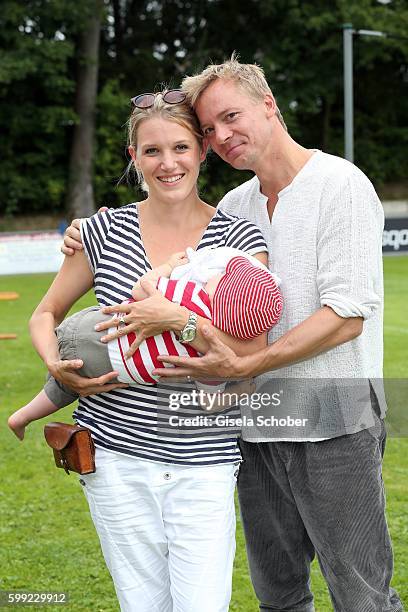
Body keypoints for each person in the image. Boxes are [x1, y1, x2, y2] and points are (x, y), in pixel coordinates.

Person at [62, 58, 403, 611]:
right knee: (278, 596)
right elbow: (174, 248)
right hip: (253, 424)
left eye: (231, 116)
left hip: (333, 421)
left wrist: (247, 366)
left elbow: (347, 314)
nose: (221, 136)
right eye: (211, 128)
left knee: (362, 596)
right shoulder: (235, 207)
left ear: (269, 104)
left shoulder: (339, 184)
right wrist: (91, 229)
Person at [27, 88, 272, 612]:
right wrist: (57, 367)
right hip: (114, 459)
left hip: (204, 457)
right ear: (133, 157)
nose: (169, 163)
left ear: (202, 151)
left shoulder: (239, 237)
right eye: (153, 150)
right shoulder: (101, 232)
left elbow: (251, 348)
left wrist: (179, 320)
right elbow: (44, 314)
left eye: (181, 148)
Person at [8, 247, 282, 440]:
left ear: (220, 290)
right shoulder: (213, 353)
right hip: (110, 367)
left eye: (221, 278)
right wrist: (243, 389)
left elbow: (142, 287)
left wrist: (170, 266)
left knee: (67, 372)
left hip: (93, 329)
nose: (216, 275)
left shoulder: (189, 296)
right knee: (67, 386)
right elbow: (210, 401)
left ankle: (22, 415)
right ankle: (23, 416)